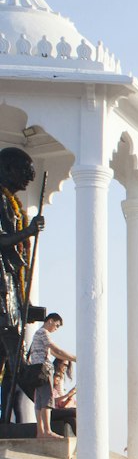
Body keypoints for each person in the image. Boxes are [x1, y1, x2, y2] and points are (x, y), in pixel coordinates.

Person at [0, 146, 44, 425]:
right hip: (1, 290)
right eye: (23, 173)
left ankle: (11, 421)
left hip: (11, 290)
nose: (28, 180)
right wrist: (27, 232)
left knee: (9, 361)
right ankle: (43, 406)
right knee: (14, 358)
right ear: (7, 170)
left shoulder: (11, 203)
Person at [26, 313, 75, 439]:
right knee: (47, 400)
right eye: (57, 325)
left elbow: (56, 354)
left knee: (39, 401)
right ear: (51, 321)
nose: (56, 328)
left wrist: (70, 358)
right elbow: (56, 350)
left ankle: (40, 431)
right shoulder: (43, 333)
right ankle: (47, 431)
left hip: (36, 370)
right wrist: (75, 358)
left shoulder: (38, 334)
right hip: (43, 370)